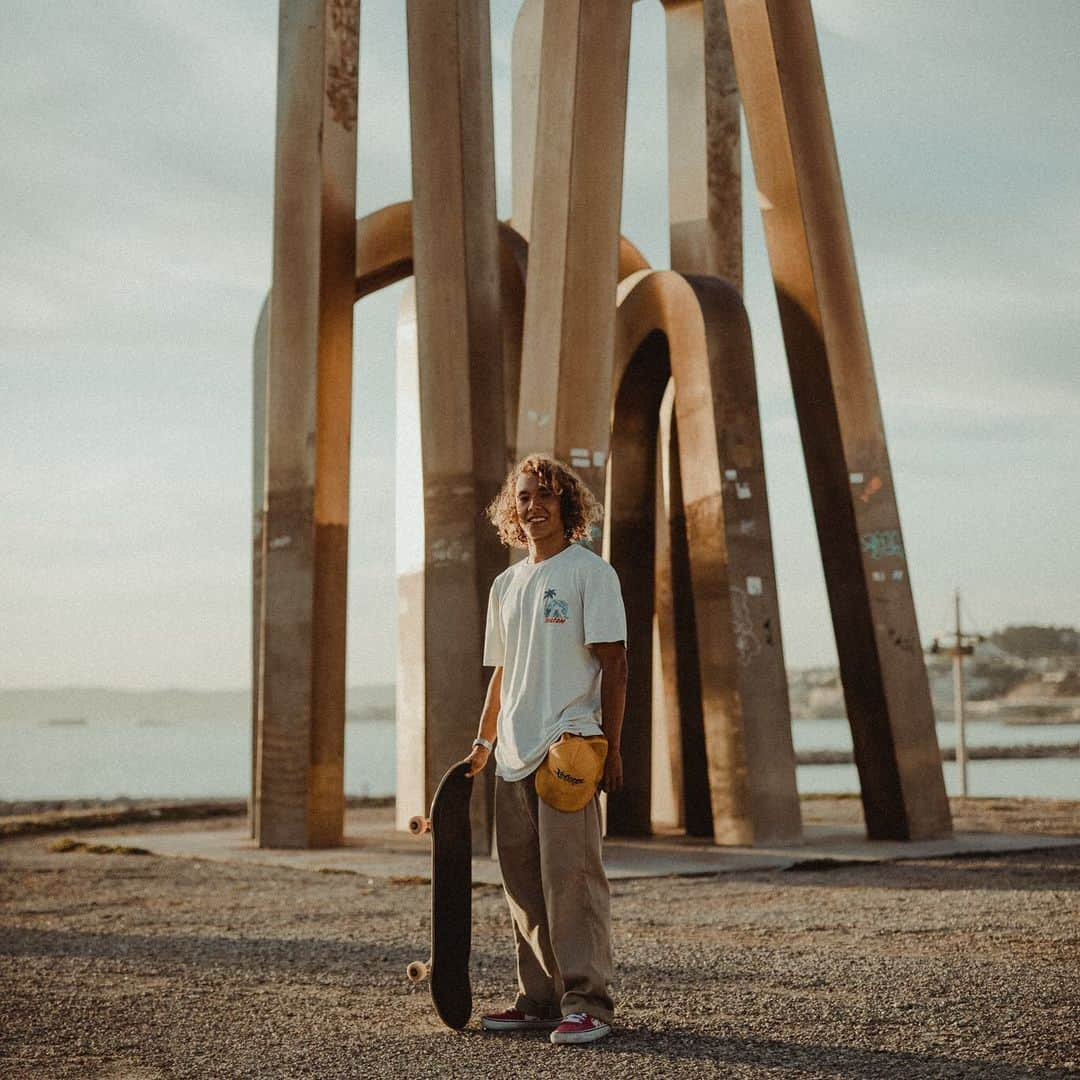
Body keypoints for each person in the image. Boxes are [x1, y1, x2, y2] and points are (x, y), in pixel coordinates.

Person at [465, 454, 628, 1046]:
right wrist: (483, 745)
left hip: (570, 748)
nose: (534, 506)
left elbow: (615, 664)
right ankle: (538, 1000)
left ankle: (590, 1004)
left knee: (573, 882)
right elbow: (503, 674)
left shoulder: (590, 573)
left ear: (567, 506)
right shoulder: (506, 585)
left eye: (546, 497)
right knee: (524, 886)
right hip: (512, 753)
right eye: (525, 497)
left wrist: (611, 748)